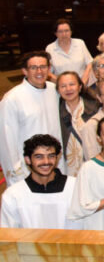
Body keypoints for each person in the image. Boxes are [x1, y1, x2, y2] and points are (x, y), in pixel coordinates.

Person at [0, 52, 61, 183]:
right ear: (24, 71)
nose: (39, 71)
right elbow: (6, 140)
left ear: (49, 69)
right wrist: (16, 174)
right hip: (27, 168)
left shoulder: (54, 90)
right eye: (33, 68)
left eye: (43, 67)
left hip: (55, 165)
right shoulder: (12, 99)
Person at [0, 134, 79, 229]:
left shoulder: (76, 187)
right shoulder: (14, 195)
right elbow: (8, 235)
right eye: (39, 157)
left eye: (51, 156)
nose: (46, 162)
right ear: (28, 160)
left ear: (57, 158)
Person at [56, 71, 100, 177]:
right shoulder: (55, 112)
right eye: (63, 86)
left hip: (94, 162)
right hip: (69, 167)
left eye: (72, 84)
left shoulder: (95, 107)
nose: (68, 89)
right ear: (58, 90)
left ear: (80, 87)